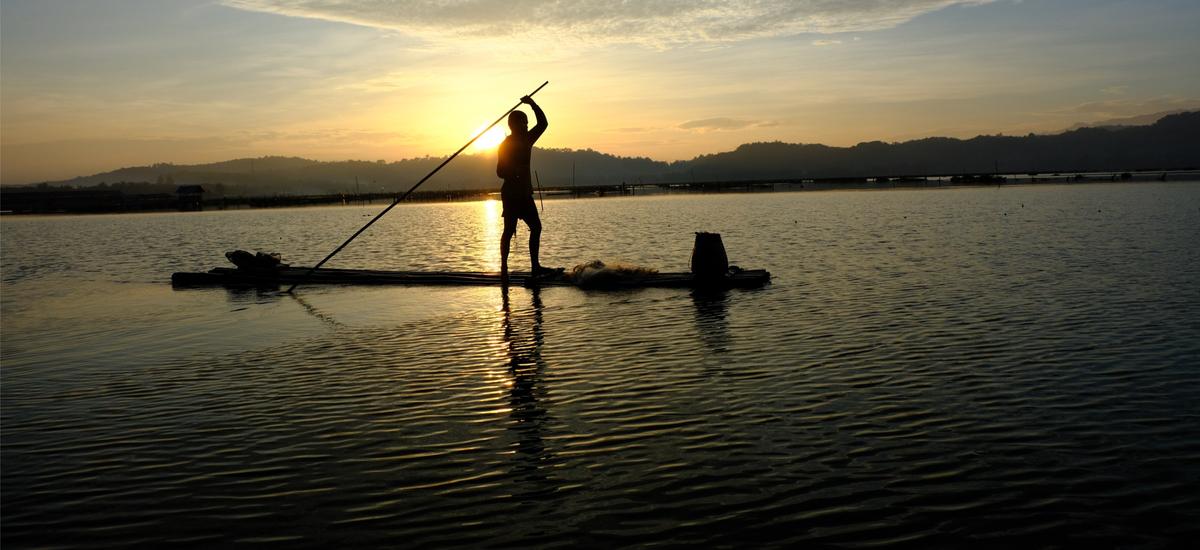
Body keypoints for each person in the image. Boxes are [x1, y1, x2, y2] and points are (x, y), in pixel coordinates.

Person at [496, 95, 549, 280]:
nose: (527, 126)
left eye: (527, 123)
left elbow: (543, 123)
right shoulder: (505, 145)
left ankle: (535, 267)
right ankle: (503, 268)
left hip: (525, 194)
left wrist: (533, 104)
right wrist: (514, 172)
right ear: (514, 125)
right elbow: (500, 171)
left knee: (536, 227)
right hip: (511, 195)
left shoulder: (527, 139)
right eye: (524, 123)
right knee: (509, 231)